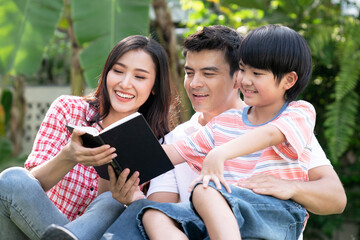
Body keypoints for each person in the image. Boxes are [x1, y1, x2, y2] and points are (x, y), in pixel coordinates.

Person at [41, 25, 346, 240]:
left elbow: (335, 198)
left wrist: (289, 187)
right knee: (149, 214)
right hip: (200, 230)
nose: (195, 83)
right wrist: (108, 157)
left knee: (204, 189)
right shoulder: (186, 135)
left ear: (236, 76)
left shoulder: (287, 120)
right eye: (189, 72)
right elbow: (160, 183)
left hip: (270, 224)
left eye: (209, 73)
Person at [140, 24, 345, 240]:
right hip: (231, 222)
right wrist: (114, 155)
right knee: (153, 214)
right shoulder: (223, 124)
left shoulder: (298, 114)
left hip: (275, 215)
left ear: (289, 80)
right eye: (244, 70)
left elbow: (269, 134)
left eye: (256, 73)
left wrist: (219, 153)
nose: (245, 80)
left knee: (204, 189)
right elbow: (169, 153)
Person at [0, 35, 173, 240]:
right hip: (34, 229)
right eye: (118, 71)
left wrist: (126, 198)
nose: (125, 84)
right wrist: (69, 155)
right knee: (13, 179)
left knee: (111, 201)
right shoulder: (68, 108)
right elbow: (29, 188)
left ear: (154, 86)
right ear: (107, 72)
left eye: (140, 77)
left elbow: (148, 223)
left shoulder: (160, 144)